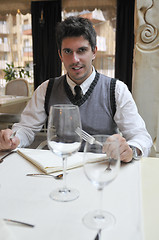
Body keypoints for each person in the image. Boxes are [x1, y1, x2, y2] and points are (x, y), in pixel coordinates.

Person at [0, 16, 152, 162]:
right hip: (59, 170)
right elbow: (26, 129)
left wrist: (131, 149)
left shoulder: (116, 90)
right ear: (60, 55)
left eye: (81, 50)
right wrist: (13, 138)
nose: (74, 60)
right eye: (67, 52)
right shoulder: (46, 89)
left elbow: (141, 137)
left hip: (102, 170)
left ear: (94, 52)